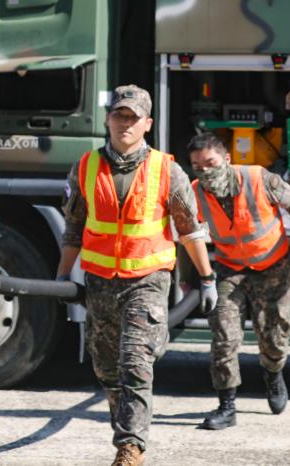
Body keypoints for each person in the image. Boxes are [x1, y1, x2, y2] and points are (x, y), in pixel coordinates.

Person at [56, 84, 218, 466]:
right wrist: (62, 277)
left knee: (135, 362)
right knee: (106, 366)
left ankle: (130, 448)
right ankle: (126, 427)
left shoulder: (167, 169)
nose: (124, 123)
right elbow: (74, 228)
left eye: (132, 118)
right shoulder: (86, 167)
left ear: (147, 123)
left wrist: (207, 277)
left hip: (148, 279)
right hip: (99, 283)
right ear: (107, 120)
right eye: (118, 115)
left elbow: (189, 229)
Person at [188, 132, 290, 430]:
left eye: (210, 163)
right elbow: (189, 236)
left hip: (271, 266)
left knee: (274, 335)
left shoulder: (259, 179)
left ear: (227, 159)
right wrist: (189, 280)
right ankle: (227, 406)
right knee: (224, 335)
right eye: (197, 166)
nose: (205, 171)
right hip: (230, 270)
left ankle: (273, 375)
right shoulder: (194, 192)